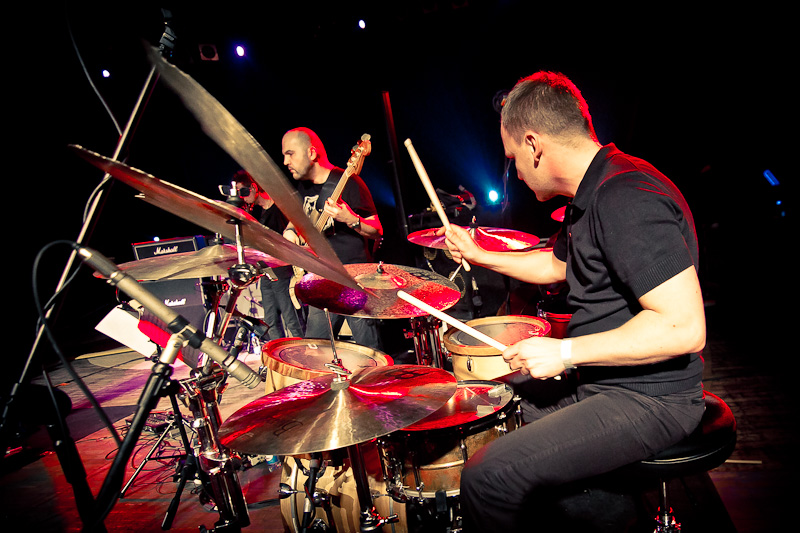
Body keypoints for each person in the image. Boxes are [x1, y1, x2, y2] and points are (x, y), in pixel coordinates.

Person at [440, 72, 707, 531]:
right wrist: (479, 254)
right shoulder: (595, 190)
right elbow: (555, 264)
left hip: (650, 398)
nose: (516, 173)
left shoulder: (627, 196)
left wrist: (564, 352)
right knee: (501, 401)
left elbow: (683, 327)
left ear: (533, 144)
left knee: (488, 477)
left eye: (512, 160)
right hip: (609, 382)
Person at [280, 127, 384, 350]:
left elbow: (377, 230)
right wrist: (290, 231)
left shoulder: (349, 183)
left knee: (370, 351)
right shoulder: (302, 187)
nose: (285, 161)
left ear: (311, 153)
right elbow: (296, 218)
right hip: (320, 278)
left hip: (354, 279)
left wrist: (351, 218)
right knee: (316, 351)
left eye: (290, 154)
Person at [230, 170, 305, 340]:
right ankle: (277, 357)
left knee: (291, 319)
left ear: (254, 188)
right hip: (266, 272)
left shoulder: (278, 208)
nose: (243, 197)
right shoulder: (260, 213)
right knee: (270, 320)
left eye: (243, 192)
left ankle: (305, 352)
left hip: (283, 271)